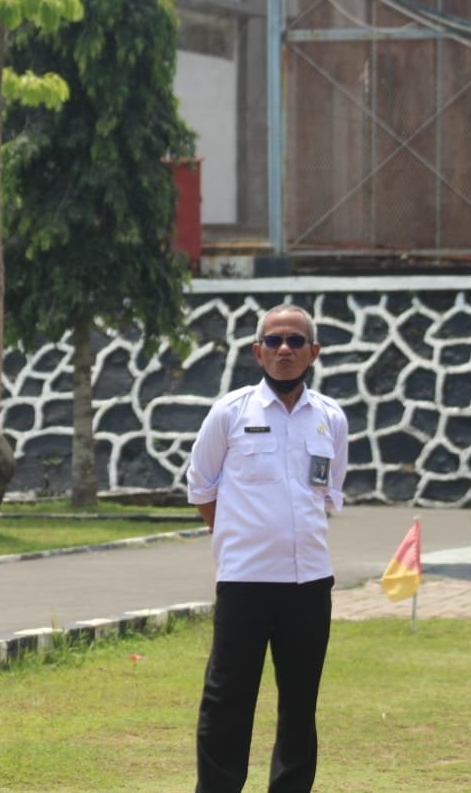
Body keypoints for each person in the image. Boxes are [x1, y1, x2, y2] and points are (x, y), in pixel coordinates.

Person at [186, 303, 349, 792]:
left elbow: (328, 495)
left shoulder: (331, 418)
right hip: (245, 582)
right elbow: (201, 488)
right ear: (257, 352)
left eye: (295, 341)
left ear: (313, 352)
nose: (284, 349)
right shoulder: (231, 412)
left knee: (300, 703)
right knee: (227, 700)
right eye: (274, 340)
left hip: (309, 583)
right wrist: (238, 538)